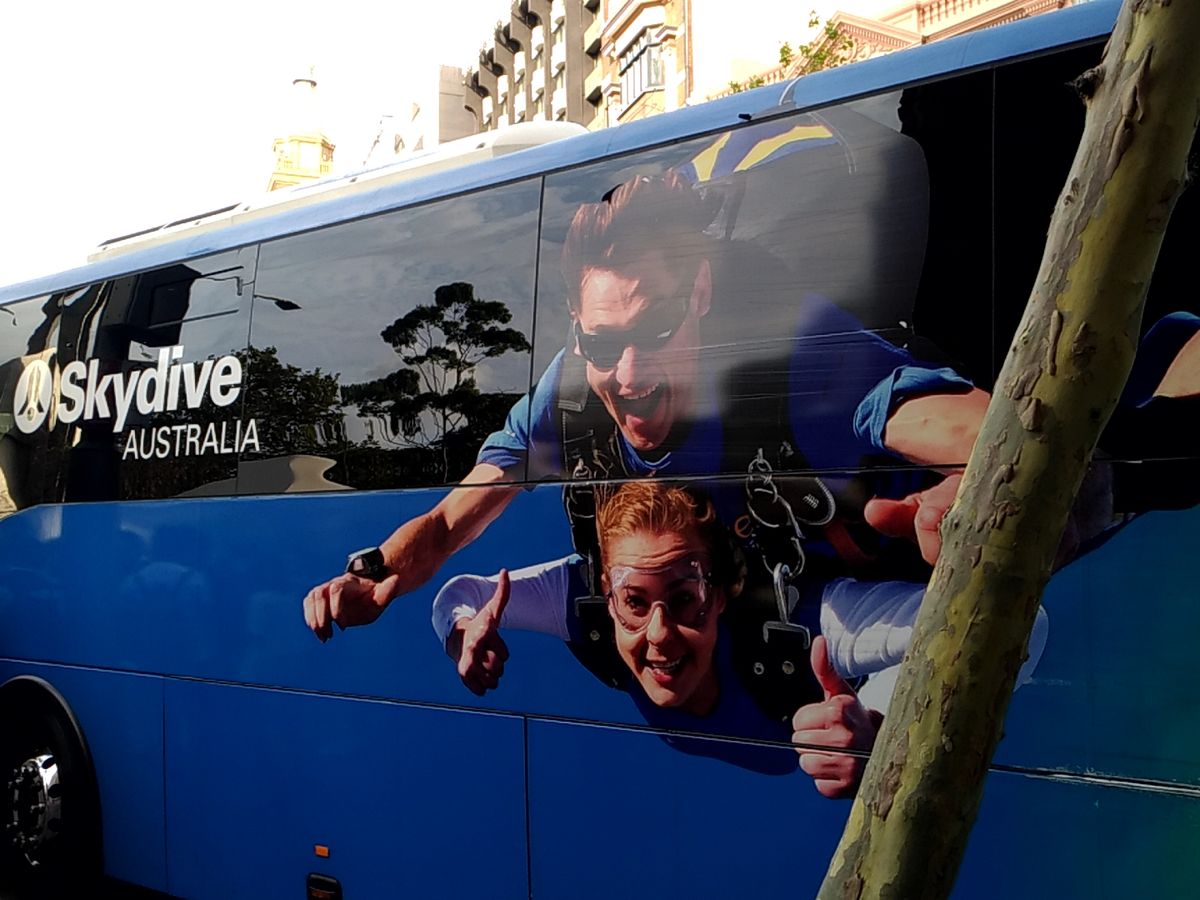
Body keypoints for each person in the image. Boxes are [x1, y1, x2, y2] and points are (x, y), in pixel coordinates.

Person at [304, 172, 991, 641]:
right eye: (603, 343)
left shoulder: (791, 351)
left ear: (700, 292)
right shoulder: (570, 391)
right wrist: (378, 572)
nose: (629, 374)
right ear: (577, 324)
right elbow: (448, 522)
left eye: (657, 327)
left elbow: (972, 426)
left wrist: (973, 477)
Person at [431, 481, 1048, 793]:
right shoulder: (584, 603)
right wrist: (462, 633)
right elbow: (461, 594)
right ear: (608, 594)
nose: (658, 636)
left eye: (685, 600)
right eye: (635, 603)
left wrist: (882, 721)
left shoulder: (798, 626)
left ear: (723, 593)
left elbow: (1018, 622)